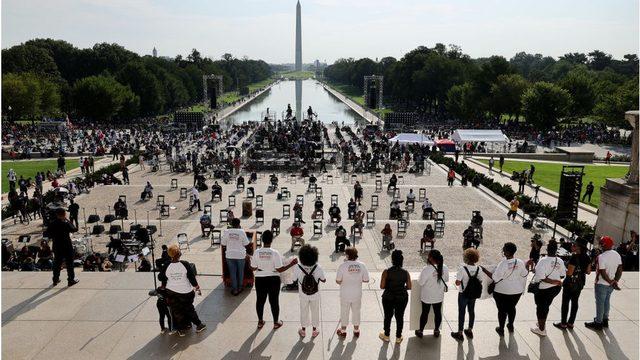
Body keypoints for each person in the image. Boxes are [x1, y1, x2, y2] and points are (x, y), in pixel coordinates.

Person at [250, 230, 298, 330]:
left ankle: (260, 321)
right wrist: (291, 264)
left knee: (260, 301)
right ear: (271, 240)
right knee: (274, 301)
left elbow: (253, 268)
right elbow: (280, 269)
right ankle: (276, 322)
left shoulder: (257, 252)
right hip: (273, 280)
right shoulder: (275, 253)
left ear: (262, 240)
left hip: (260, 279)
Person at [157, 244, 206, 336]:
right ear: (179, 254)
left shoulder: (167, 265)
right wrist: (196, 287)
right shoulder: (185, 264)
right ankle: (199, 325)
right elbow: (192, 278)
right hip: (186, 292)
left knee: (177, 311)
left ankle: (181, 329)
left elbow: (160, 277)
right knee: (189, 309)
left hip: (171, 292)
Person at [483, 242, 528, 335]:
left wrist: (484, 270)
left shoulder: (503, 264)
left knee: (502, 310)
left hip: (502, 291)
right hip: (517, 291)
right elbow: (524, 274)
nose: (502, 250)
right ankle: (510, 325)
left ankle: (501, 328)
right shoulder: (519, 262)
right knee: (512, 308)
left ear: (506, 252)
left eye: (504, 249)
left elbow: (495, 277)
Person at [585, 236, 623, 330]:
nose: (600, 246)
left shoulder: (601, 257)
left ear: (603, 245)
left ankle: (598, 323)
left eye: (601, 244)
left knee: (600, 303)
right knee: (607, 301)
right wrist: (615, 281)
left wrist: (611, 282)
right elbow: (620, 269)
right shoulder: (617, 254)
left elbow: (602, 272)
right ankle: (605, 320)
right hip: (611, 284)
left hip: (601, 284)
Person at [530, 240, 566, 336]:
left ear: (547, 249)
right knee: (546, 306)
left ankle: (541, 329)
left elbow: (541, 277)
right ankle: (541, 322)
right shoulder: (560, 261)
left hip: (544, 289)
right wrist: (556, 281)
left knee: (541, 308)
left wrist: (554, 281)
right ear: (556, 250)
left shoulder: (543, 261)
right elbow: (562, 275)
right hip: (555, 289)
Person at [554, 238, 592, 330]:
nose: (572, 246)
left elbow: (570, 273)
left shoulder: (574, 257)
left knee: (565, 303)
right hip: (580, 283)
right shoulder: (587, 257)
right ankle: (571, 323)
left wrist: (565, 268)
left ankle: (563, 324)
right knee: (575, 302)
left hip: (570, 283)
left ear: (579, 247)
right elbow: (588, 271)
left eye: (574, 245)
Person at [336, 247, 370, 337]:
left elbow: (338, 280)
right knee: (356, 311)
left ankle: (343, 331)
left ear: (347, 255)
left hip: (345, 293)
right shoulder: (362, 265)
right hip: (357, 293)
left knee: (344, 311)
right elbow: (366, 280)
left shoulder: (342, 266)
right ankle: (356, 330)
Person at [379, 250, 411, 344]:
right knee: (400, 316)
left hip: (388, 297)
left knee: (388, 316)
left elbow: (382, 286)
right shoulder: (405, 272)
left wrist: (389, 286)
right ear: (402, 260)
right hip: (401, 297)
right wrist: (401, 287)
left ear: (392, 259)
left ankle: (386, 335)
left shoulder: (386, 272)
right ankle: (398, 336)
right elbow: (409, 286)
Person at [294, 244, 326, 338]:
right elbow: (324, 280)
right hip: (315, 294)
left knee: (304, 311)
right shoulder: (318, 267)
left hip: (303, 294)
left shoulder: (298, 267)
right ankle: (314, 330)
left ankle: (303, 330)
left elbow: (293, 279)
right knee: (315, 311)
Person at [415, 250, 448, 338]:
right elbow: (446, 279)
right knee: (438, 313)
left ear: (431, 258)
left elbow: (421, 282)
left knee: (425, 313)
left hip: (427, 296)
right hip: (438, 296)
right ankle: (436, 330)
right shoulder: (445, 267)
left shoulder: (426, 269)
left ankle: (420, 330)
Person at [451, 248, 481, 341]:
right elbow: (480, 280)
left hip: (463, 294)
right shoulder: (478, 269)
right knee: (471, 311)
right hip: (473, 294)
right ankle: (470, 329)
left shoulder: (462, 269)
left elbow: (457, 283)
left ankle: (460, 332)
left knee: (462, 312)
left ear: (466, 258)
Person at [45, 208, 79, 287]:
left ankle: (55, 280)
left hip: (56, 245)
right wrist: (69, 221)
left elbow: (47, 234)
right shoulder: (65, 223)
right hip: (66, 246)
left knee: (57, 263)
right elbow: (74, 229)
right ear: (63, 214)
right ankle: (71, 280)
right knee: (69, 263)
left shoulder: (52, 223)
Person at [221, 218, 251, 295]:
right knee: (241, 272)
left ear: (231, 224)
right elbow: (247, 244)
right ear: (239, 224)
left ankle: (235, 289)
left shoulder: (227, 231)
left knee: (232, 272)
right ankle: (240, 287)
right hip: (240, 256)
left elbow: (223, 243)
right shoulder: (241, 232)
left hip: (230, 255)